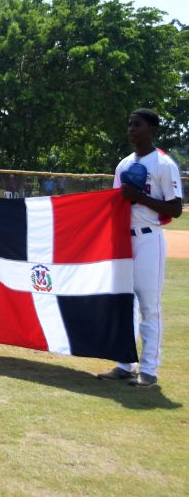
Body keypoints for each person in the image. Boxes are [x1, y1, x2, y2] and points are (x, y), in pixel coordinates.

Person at [97, 108, 183, 388]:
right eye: (130, 125)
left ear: (152, 129)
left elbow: (175, 208)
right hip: (124, 238)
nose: (132, 129)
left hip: (149, 239)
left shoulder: (164, 164)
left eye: (138, 125)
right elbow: (116, 203)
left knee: (149, 306)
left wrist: (139, 198)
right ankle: (125, 363)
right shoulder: (122, 165)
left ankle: (148, 370)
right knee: (124, 304)